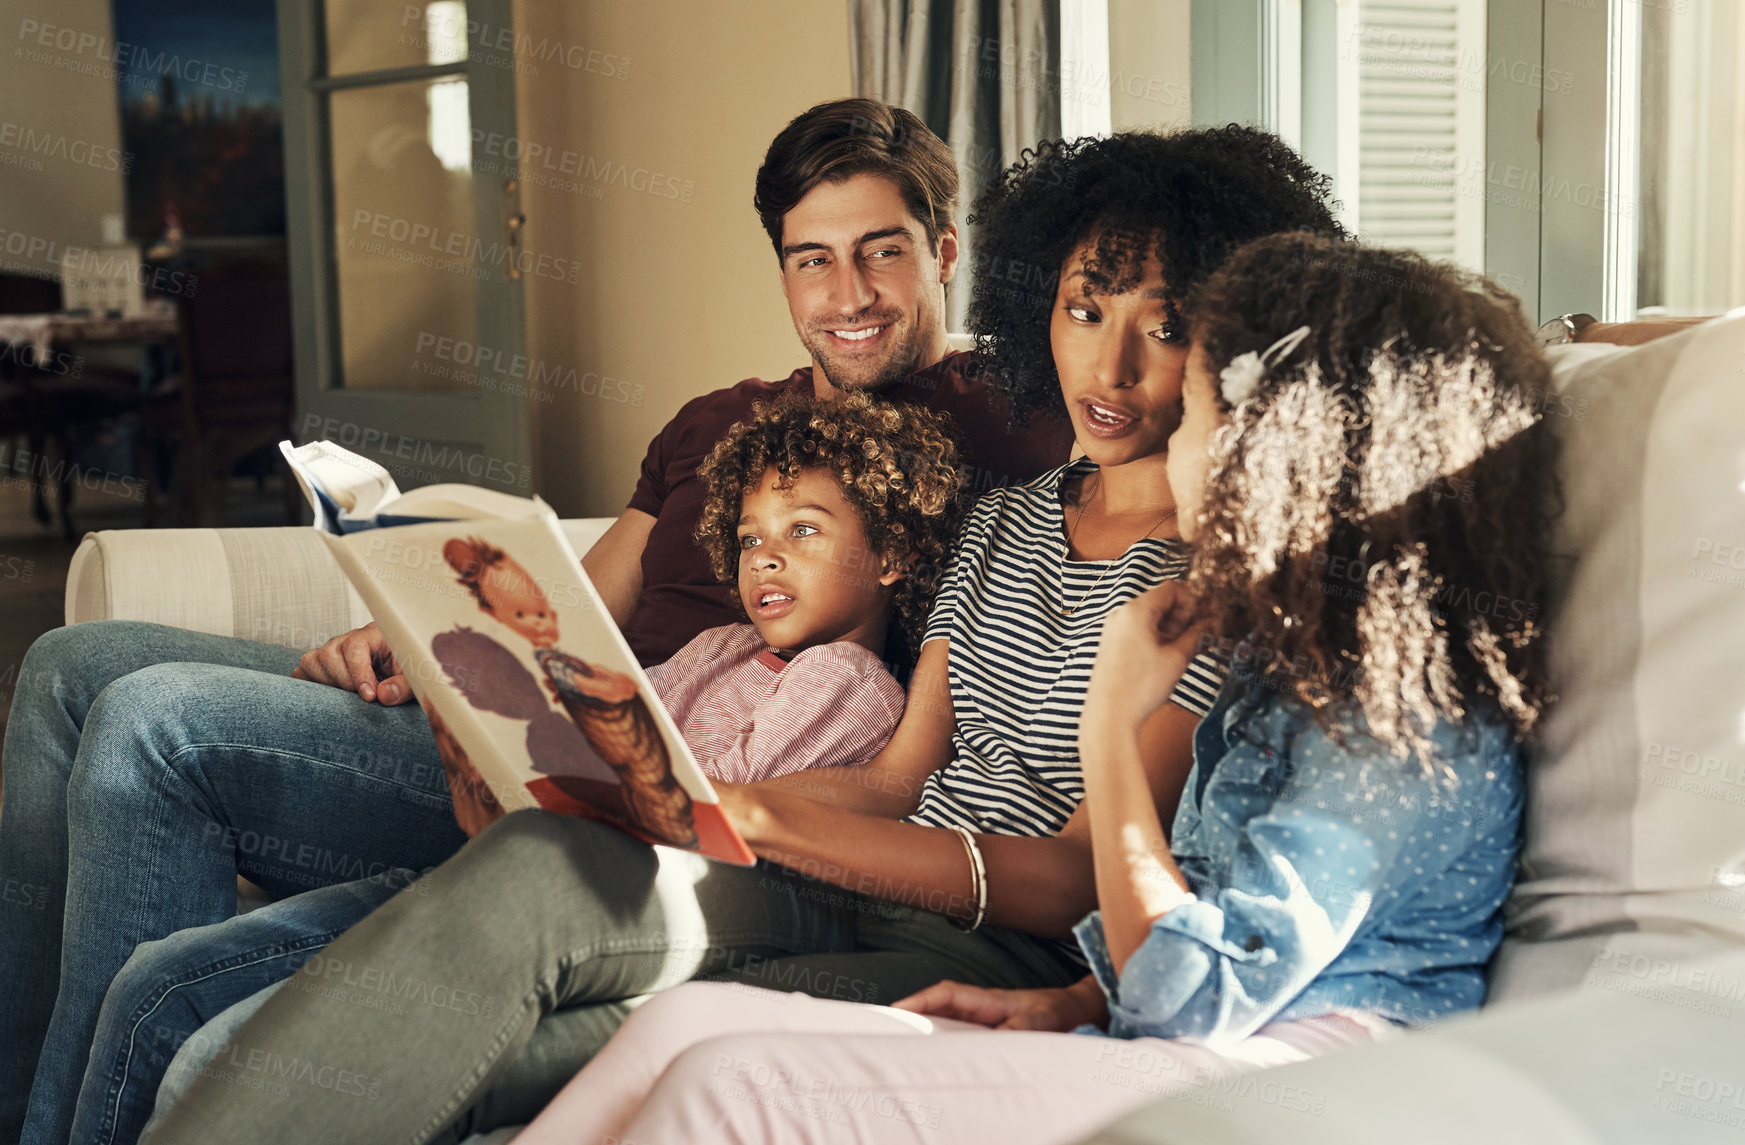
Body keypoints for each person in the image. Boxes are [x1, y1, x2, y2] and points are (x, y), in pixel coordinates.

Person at [139, 127, 1348, 1145]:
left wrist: (761, 821)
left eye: (1165, 324)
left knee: (525, 1059)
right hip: (842, 878)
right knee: (541, 860)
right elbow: (893, 774)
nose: (1113, 362)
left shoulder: (1224, 576)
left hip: (995, 951)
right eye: (1084, 311)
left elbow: (1075, 873)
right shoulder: (1004, 521)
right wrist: (683, 797)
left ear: (1229, 339)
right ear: (1041, 305)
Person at [0, 96, 1066, 1145]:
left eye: (879, 253)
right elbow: (574, 603)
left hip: (647, 799)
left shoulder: (1012, 428)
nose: (846, 294)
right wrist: (419, 631)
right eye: (809, 259)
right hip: (537, 721)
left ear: (942, 250)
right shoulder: (716, 419)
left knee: (156, 723)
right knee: (69, 663)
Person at [491, 231, 1557, 1145]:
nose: (1166, 435)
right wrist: (1071, 998)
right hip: (1178, 1029)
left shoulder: (1392, 721)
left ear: (1279, 457)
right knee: (684, 1028)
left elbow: (1198, 993)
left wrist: (1108, 720)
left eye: (1189, 415)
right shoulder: (1281, 671)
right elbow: (1211, 929)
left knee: (739, 1083)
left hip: (1284, 1077)